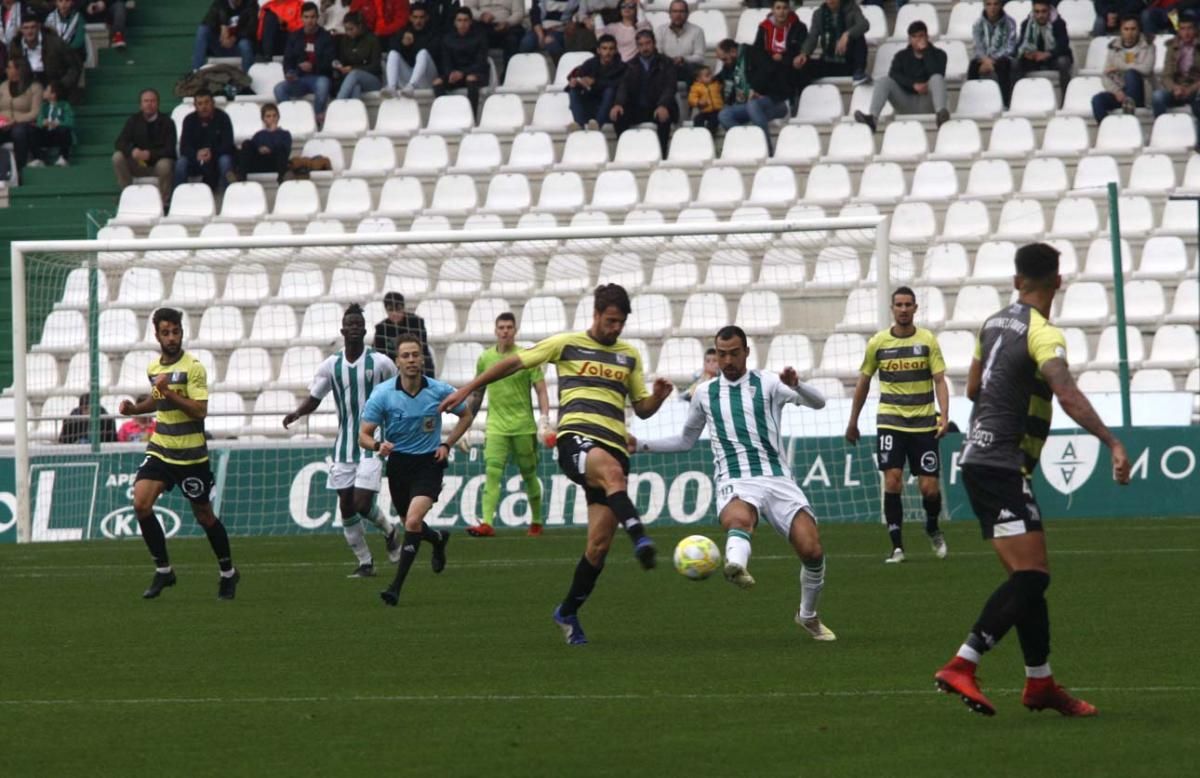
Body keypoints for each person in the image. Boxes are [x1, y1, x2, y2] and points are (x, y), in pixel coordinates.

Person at [933, 242, 1132, 718]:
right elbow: (1066, 392)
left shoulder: (993, 323)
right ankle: (964, 662)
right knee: (1033, 575)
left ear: (1018, 279)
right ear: (1058, 282)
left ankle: (1040, 683)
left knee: (1027, 582)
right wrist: (1113, 442)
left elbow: (975, 389)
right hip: (1002, 464)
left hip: (978, 459)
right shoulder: (1044, 334)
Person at [439, 284, 675, 645]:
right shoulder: (566, 343)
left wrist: (656, 398)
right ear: (595, 315)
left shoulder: (629, 355)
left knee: (597, 547)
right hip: (576, 437)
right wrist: (466, 388)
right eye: (610, 321)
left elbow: (641, 408)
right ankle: (640, 537)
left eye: (621, 323)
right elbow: (512, 364)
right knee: (612, 475)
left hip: (614, 444)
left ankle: (567, 612)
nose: (616, 329)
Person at [633, 326, 835, 641]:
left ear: (746, 352)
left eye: (734, 353)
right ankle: (736, 565)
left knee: (812, 550)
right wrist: (641, 444)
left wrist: (798, 385)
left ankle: (807, 616)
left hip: (778, 478)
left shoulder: (768, 382)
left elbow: (819, 403)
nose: (727, 360)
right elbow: (686, 441)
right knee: (739, 519)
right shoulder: (704, 393)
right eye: (721, 354)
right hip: (736, 477)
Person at [117, 307, 241, 600]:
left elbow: (200, 411)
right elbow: (158, 401)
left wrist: (170, 392)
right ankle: (164, 571)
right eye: (165, 332)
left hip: (190, 456)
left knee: (204, 516)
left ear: (182, 333)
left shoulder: (194, 368)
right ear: (157, 335)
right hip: (161, 448)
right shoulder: (154, 369)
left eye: (175, 332)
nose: (171, 338)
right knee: (141, 504)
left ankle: (228, 573)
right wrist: (135, 409)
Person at [284, 303, 402, 578]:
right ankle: (365, 562)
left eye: (358, 325)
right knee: (346, 506)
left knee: (361, 503)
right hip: (343, 446)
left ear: (364, 330)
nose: (353, 328)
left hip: (372, 444)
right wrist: (297, 413)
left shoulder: (381, 363)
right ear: (342, 330)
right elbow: (315, 397)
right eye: (349, 325)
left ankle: (389, 530)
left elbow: (397, 393)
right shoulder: (331, 365)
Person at [361, 334, 472, 606]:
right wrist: (377, 445)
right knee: (412, 524)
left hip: (428, 463)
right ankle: (436, 539)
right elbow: (363, 434)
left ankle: (395, 587)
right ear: (397, 362)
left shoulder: (439, 390)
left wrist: (447, 443)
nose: (411, 360)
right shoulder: (384, 394)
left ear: (421, 359)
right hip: (398, 465)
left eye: (415, 355)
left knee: (411, 522)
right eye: (405, 356)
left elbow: (466, 415)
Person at [845, 286, 951, 564]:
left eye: (908, 305)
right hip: (891, 421)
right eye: (899, 305)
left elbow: (940, 380)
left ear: (915, 308)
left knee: (929, 488)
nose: (903, 309)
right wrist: (853, 421)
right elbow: (864, 383)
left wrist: (945, 415)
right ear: (892, 309)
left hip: (924, 423)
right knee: (892, 480)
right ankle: (897, 547)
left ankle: (932, 526)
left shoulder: (927, 340)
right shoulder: (878, 343)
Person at [466, 312, 552, 538]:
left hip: (524, 426)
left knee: (529, 474)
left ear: (515, 331)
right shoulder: (485, 359)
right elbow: (477, 393)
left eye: (509, 327)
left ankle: (536, 521)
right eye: (501, 327)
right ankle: (486, 523)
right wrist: (466, 423)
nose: (505, 331)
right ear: (495, 331)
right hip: (496, 427)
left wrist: (544, 419)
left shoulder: (527, 356)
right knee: (492, 472)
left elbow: (541, 390)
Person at [854, 21, 949, 133]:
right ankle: (872, 119)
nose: (918, 40)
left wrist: (926, 51)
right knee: (884, 81)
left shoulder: (939, 54)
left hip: (928, 101)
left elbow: (937, 72)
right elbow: (894, 75)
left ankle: (941, 116)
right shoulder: (901, 56)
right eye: (914, 37)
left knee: (937, 78)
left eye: (921, 36)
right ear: (909, 39)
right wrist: (913, 85)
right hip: (906, 101)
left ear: (927, 37)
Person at [610, 29, 677, 157]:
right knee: (618, 115)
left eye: (647, 43)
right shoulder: (630, 65)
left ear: (654, 43)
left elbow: (670, 87)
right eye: (640, 45)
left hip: (659, 106)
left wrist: (663, 104)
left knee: (663, 117)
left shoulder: (666, 63)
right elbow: (623, 87)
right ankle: (625, 153)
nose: (644, 47)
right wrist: (618, 103)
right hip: (638, 108)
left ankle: (662, 155)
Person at [113, 88, 176, 207]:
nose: (149, 104)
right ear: (140, 104)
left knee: (165, 165)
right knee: (117, 157)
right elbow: (119, 142)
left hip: (157, 165)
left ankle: (164, 201)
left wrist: (150, 154)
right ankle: (127, 194)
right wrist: (132, 151)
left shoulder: (167, 122)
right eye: (146, 101)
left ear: (158, 103)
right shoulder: (133, 121)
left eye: (152, 101)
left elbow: (170, 150)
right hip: (138, 164)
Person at [275, 2, 335, 122]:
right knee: (279, 89)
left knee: (323, 83)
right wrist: (289, 72)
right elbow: (288, 60)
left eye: (312, 17)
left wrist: (312, 66)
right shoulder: (294, 36)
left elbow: (329, 62)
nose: (309, 20)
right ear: (301, 18)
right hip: (299, 78)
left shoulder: (326, 36)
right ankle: (292, 119)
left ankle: (317, 119)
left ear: (317, 17)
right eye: (306, 17)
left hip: (319, 77)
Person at [174, 89, 236, 194]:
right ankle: (178, 197)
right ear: (195, 105)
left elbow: (228, 144)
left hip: (217, 158)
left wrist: (212, 152)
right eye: (200, 103)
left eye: (207, 102)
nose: (204, 107)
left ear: (213, 103)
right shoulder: (189, 120)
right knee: (181, 163)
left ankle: (230, 196)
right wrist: (196, 154)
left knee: (225, 161)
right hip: (196, 160)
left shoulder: (223, 118)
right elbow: (184, 146)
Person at [1091, 15, 1152, 121]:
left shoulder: (1147, 46)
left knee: (1131, 74)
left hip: (1140, 91)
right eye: (1126, 29)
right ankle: (1107, 131)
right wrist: (1117, 91)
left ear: (1138, 30)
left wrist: (1120, 67)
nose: (1130, 33)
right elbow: (1106, 75)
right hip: (1121, 92)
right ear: (1121, 30)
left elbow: (1146, 69)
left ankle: (1128, 117)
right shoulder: (1114, 47)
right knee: (1097, 100)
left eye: (1133, 29)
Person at [796, 0, 870, 86]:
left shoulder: (852, 9)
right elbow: (812, 37)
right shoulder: (819, 14)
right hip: (829, 60)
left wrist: (847, 34)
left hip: (849, 62)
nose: (831, 1)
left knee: (859, 37)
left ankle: (859, 71)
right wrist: (804, 53)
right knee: (802, 65)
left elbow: (864, 24)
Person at [1152, 17, 1200, 148]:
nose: (1186, 33)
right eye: (1183, 29)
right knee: (1157, 97)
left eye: (1189, 28)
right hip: (1177, 89)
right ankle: (1161, 133)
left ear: (1195, 30)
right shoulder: (1172, 46)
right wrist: (1175, 88)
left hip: (1195, 89)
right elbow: (1166, 75)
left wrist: (1190, 89)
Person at [433, 6, 488, 113]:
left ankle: (472, 116)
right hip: (455, 75)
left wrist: (462, 73)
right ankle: (446, 114)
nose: (462, 24)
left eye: (465, 20)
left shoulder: (480, 37)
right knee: (437, 82)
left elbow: (480, 63)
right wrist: (451, 73)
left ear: (470, 22)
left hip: (475, 74)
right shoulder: (447, 39)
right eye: (459, 20)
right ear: (455, 22)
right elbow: (445, 62)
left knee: (471, 78)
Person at [566, 33, 624, 130]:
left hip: (610, 109)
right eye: (604, 48)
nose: (608, 52)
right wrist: (576, 82)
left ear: (616, 50)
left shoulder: (622, 67)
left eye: (611, 49)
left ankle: (597, 124)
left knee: (609, 91)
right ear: (598, 50)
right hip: (590, 105)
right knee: (573, 90)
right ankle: (579, 125)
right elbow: (577, 76)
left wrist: (594, 82)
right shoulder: (590, 63)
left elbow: (617, 84)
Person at [754, 0, 808, 105]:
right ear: (773, 10)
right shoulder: (764, 27)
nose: (781, 12)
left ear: (789, 9)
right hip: (769, 65)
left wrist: (782, 57)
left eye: (785, 8)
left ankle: (788, 104)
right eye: (778, 8)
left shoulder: (799, 27)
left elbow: (799, 49)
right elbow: (758, 50)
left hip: (789, 65)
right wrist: (771, 61)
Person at [1014, 0, 1073, 94]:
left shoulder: (1059, 23)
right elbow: (1019, 45)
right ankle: (1017, 97)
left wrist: (1048, 54)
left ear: (1049, 10)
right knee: (1015, 63)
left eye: (1043, 11)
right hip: (1034, 60)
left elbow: (1063, 46)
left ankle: (1066, 98)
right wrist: (1025, 53)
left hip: (1053, 59)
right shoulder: (1026, 24)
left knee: (1063, 62)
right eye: (1037, 12)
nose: (1040, 15)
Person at [14, 16, 80, 99]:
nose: (29, 31)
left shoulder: (56, 43)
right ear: (21, 29)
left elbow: (74, 68)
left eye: (32, 27)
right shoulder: (16, 46)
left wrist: (60, 86)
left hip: (56, 89)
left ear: (38, 27)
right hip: (28, 91)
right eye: (26, 28)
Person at [372, 291, 435, 377]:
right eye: (391, 310)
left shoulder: (416, 322)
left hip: (414, 363)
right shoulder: (381, 328)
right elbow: (378, 354)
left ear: (403, 308)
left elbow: (423, 348)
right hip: (392, 367)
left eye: (398, 309)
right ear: (386, 310)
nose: (395, 313)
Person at [383, 1, 439, 96]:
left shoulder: (433, 33)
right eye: (415, 17)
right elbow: (391, 48)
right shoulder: (405, 31)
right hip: (409, 77)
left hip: (427, 78)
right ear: (410, 18)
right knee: (393, 53)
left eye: (421, 17)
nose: (418, 21)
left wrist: (413, 44)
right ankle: (391, 86)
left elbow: (432, 53)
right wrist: (403, 44)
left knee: (423, 53)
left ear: (427, 18)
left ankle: (411, 86)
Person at [969, 0, 1018, 107]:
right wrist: (986, 60)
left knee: (1003, 65)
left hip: (1002, 58)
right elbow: (978, 46)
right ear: (984, 5)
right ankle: (972, 104)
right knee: (972, 66)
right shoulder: (978, 24)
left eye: (996, 4)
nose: (992, 8)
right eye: (989, 4)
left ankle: (1005, 104)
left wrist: (992, 60)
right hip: (985, 59)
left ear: (1000, 5)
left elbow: (1010, 47)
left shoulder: (1010, 23)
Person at [191, 0, 259, 73]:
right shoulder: (219, 3)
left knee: (245, 44)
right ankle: (196, 72)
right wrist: (224, 25)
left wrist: (234, 38)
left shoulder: (251, 4)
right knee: (203, 30)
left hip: (239, 47)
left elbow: (251, 28)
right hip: (221, 44)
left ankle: (247, 76)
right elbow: (208, 21)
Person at [0, 56, 39, 171]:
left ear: (18, 69)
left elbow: (35, 112)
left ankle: (20, 167)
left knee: (19, 131)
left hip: (26, 125)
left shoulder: (35, 87)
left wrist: (15, 120)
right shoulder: (2, 87)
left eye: (9, 67)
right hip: (4, 124)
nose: (6, 70)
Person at [236, 102, 291, 181]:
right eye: (268, 116)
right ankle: (240, 176)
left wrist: (270, 148)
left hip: (275, 163)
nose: (272, 118)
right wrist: (259, 149)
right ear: (263, 119)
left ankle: (282, 178)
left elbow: (286, 151)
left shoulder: (285, 134)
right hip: (259, 163)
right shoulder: (259, 135)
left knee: (281, 150)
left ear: (278, 117)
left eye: (274, 116)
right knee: (247, 143)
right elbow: (252, 148)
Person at [334, 11, 383, 98]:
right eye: (346, 30)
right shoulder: (345, 40)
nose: (348, 32)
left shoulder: (372, 40)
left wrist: (353, 68)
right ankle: (354, 111)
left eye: (351, 29)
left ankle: (337, 104)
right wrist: (340, 66)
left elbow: (375, 67)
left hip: (373, 79)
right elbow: (343, 60)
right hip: (351, 79)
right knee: (355, 87)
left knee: (355, 74)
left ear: (360, 26)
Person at [656, 0, 704, 84]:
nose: (678, 15)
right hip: (667, 67)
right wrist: (670, 61)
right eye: (675, 11)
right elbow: (658, 53)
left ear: (687, 14)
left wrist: (683, 59)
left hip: (687, 67)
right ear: (669, 14)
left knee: (694, 69)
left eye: (681, 11)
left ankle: (694, 96)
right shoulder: (660, 30)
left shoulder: (697, 31)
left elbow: (700, 57)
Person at [462, 0, 524, 65]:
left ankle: (509, 71)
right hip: (482, 24)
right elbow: (468, 8)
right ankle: (476, 70)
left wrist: (508, 23)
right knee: (474, 34)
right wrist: (481, 15)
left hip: (507, 25)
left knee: (512, 39)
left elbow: (519, 13)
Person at [28, 78, 72, 167]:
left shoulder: (65, 106)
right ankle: (38, 158)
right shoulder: (44, 106)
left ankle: (63, 158)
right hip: (46, 133)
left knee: (64, 131)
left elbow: (70, 122)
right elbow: (39, 121)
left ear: (53, 94)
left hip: (58, 135)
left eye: (47, 90)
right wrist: (43, 123)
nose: (44, 92)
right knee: (31, 130)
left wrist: (58, 124)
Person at [44, 0, 86, 76]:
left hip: (73, 53)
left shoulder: (78, 18)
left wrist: (64, 51)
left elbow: (79, 41)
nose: (63, 4)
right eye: (60, 1)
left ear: (72, 2)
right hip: (54, 54)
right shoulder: (50, 18)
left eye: (67, 1)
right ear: (55, 2)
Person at [687, 64, 722, 132]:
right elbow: (691, 99)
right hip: (705, 110)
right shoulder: (696, 87)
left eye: (711, 74)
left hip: (717, 110)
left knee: (714, 120)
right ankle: (700, 134)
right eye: (707, 76)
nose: (710, 77)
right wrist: (698, 102)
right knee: (697, 119)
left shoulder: (716, 84)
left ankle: (710, 132)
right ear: (699, 79)